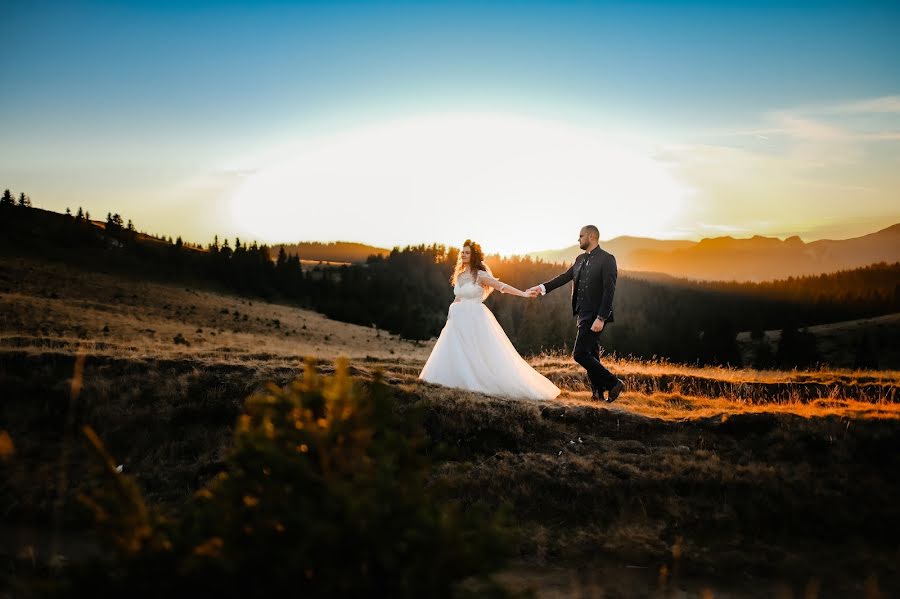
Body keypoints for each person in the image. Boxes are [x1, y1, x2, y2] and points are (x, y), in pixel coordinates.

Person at [418, 240, 560, 400]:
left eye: (467, 252)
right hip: (457, 320)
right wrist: (451, 315)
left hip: (475, 319)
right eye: (462, 252)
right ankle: (452, 382)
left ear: (474, 256)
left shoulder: (480, 275)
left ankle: (477, 382)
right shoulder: (460, 275)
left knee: (477, 352)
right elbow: (458, 297)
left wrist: (523, 293)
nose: (463, 255)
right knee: (455, 351)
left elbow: (501, 286)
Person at [526, 225, 625, 402]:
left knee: (579, 354)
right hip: (582, 313)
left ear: (592, 237)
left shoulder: (607, 259)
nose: (578, 239)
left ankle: (613, 383)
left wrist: (601, 318)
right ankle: (597, 394)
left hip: (596, 316)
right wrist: (541, 288)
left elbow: (609, 290)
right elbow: (565, 277)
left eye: (581, 236)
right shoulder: (580, 259)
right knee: (592, 354)